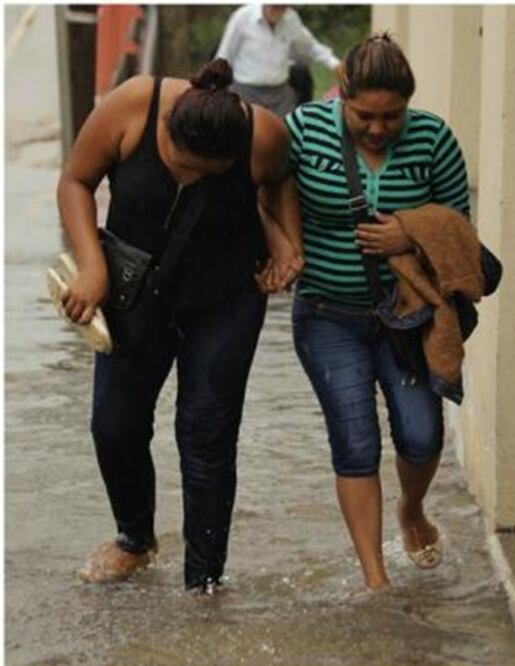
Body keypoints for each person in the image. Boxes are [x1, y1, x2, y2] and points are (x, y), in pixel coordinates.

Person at [56, 59, 303, 592]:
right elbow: (75, 181)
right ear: (166, 128)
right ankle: (134, 540)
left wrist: (289, 243)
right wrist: (91, 266)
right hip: (134, 292)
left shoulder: (263, 133)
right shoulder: (131, 107)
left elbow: (281, 183)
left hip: (226, 297)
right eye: (182, 166)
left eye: (208, 174)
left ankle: (205, 580)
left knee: (207, 434)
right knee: (114, 426)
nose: (190, 179)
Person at [285, 33, 472, 591]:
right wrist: (281, 249)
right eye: (364, 115)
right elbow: (269, 193)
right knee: (356, 442)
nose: (377, 128)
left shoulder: (434, 139)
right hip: (325, 314)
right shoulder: (302, 131)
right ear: (342, 94)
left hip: (406, 318)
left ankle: (411, 509)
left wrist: (408, 230)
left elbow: (459, 233)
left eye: (392, 116)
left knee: (421, 436)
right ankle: (376, 581)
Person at [215, 4, 343, 117]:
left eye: (282, 6)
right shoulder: (243, 17)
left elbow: (310, 47)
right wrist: (213, 87)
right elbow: (224, 57)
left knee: (288, 135)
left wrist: (334, 63)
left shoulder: (291, 19)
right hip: (245, 93)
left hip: (279, 94)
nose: (277, 8)